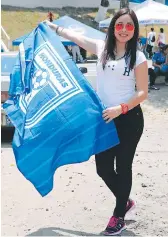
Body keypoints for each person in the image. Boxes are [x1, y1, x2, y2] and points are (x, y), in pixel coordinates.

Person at [44, 8, 148, 236]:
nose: (123, 30)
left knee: (123, 167)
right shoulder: (102, 48)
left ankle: (118, 215)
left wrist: (120, 108)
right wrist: (53, 27)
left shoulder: (137, 57)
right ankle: (125, 201)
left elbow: (142, 93)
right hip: (105, 119)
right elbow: (75, 37)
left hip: (129, 118)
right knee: (102, 168)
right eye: (119, 25)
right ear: (113, 27)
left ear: (134, 30)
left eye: (129, 26)